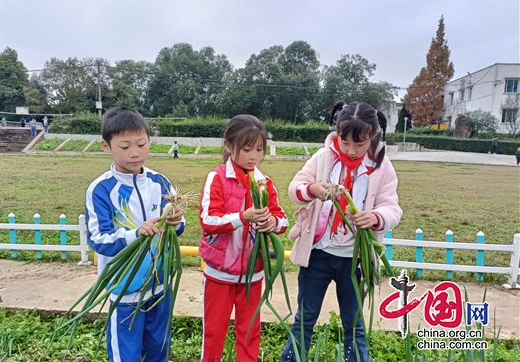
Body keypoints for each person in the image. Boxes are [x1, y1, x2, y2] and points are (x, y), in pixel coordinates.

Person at [280, 101, 403, 362]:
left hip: (355, 259)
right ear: (337, 133)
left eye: (360, 144)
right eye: (345, 142)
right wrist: (311, 190)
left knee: (354, 324)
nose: (351, 150)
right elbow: (295, 188)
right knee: (305, 319)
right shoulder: (323, 158)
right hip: (318, 255)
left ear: (373, 136)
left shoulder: (381, 167)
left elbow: (392, 208)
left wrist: (375, 218)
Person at [85, 106, 186, 362]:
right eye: (125, 146)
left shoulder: (160, 182)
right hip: (125, 289)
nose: (135, 152)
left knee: (158, 349)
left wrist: (176, 220)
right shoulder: (101, 189)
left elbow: (179, 225)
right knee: (126, 355)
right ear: (106, 147)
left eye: (141, 144)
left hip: (160, 285)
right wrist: (135, 234)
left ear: (149, 141)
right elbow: (98, 239)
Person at [198, 114, 289, 362]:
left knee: (249, 333)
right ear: (228, 146)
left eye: (259, 149)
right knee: (214, 332)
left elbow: (282, 220)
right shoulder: (217, 177)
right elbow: (208, 220)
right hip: (219, 274)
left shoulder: (264, 182)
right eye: (247, 149)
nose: (254, 156)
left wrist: (272, 223)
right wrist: (243, 217)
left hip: (253, 274)